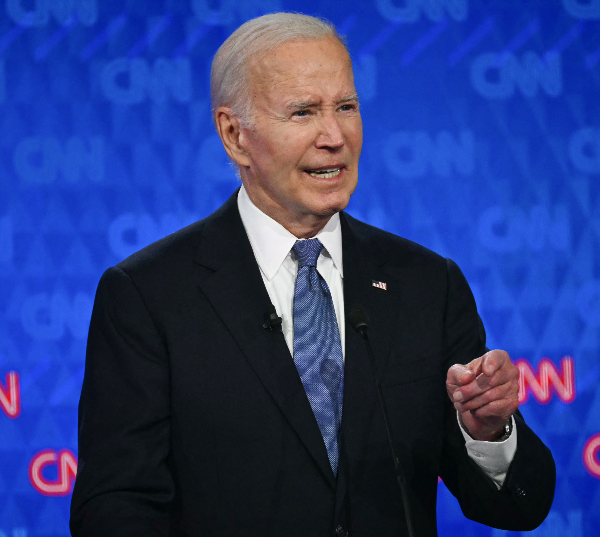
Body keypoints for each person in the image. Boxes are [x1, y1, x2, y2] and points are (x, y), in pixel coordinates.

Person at [70, 13, 555, 537]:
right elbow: (115, 507)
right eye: (303, 112)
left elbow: (518, 509)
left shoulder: (426, 284)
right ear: (234, 135)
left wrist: (487, 431)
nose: (334, 136)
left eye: (346, 107)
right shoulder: (148, 296)